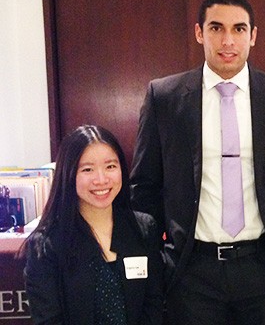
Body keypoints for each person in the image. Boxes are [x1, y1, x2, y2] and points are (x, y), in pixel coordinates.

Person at [130, 0, 265, 324]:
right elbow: (144, 186)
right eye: (216, 28)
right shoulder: (166, 98)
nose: (227, 40)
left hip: (264, 267)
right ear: (199, 32)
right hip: (192, 270)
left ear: (253, 35)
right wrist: (156, 258)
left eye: (239, 29)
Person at [23, 125, 163, 324]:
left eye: (110, 166)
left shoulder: (143, 228)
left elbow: (154, 303)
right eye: (88, 169)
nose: (101, 179)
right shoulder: (46, 245)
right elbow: (49, 319)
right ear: (68, 174)